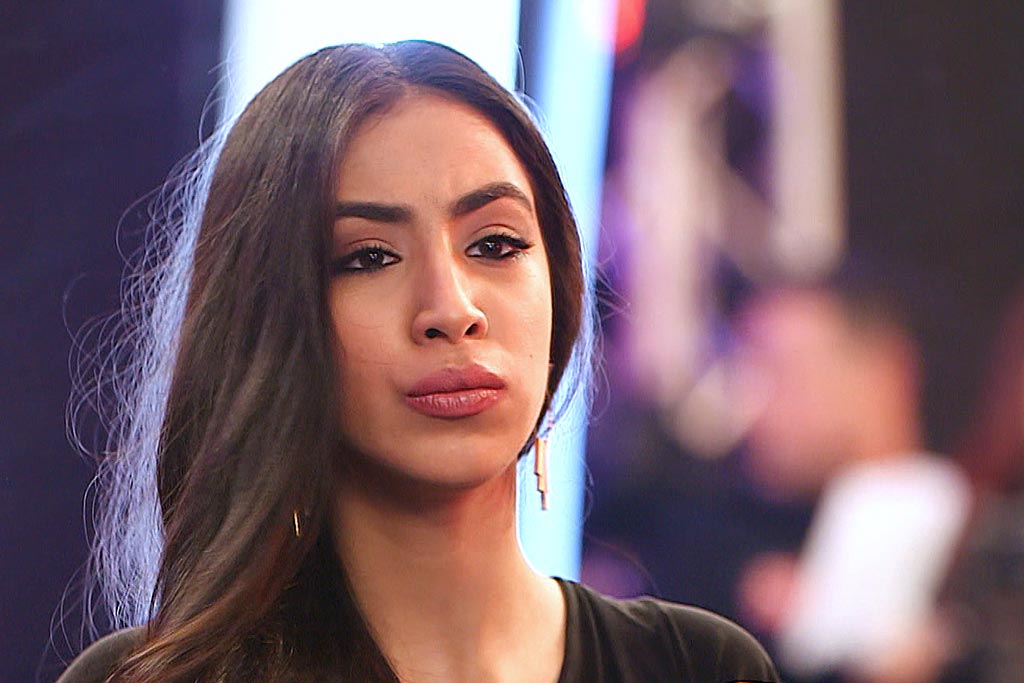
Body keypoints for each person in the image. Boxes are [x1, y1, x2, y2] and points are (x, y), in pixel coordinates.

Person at [57, 41, 777, 683]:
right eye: (369, 257)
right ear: (268, 319)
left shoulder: (700, 665)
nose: (451, 308)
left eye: (495, 244)